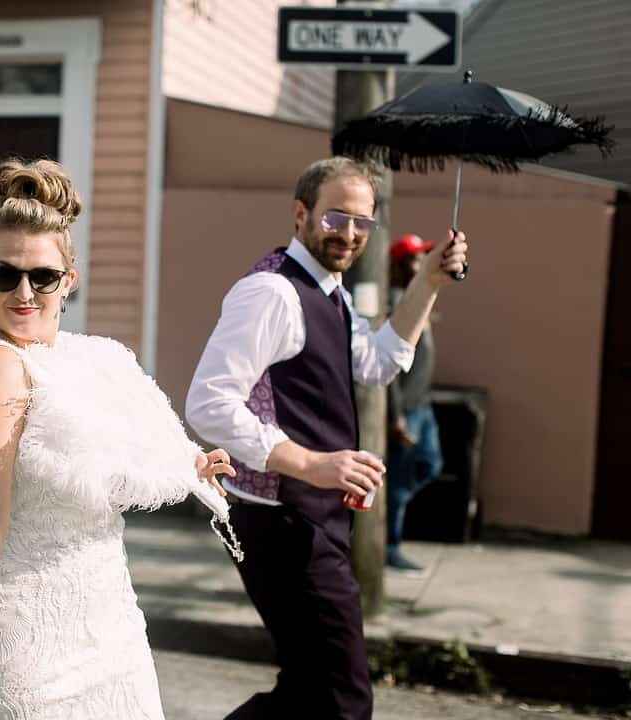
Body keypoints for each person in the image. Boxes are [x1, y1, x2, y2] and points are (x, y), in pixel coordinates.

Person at [0, 158, 237, 720]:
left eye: (42, 276)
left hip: (111, 622)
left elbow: (126, 444)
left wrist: (192, 463)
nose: (24, 292)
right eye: (6, 275)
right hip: (28, 639)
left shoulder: (88, 357)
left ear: (69, 281)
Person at [185, 156, 468, 720]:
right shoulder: (272, 292)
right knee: (343, 699)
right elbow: (208, 402)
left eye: (363, 222)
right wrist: (312, 464)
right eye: (337, 217)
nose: (350, 233)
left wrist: (428, 282)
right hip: (279, 520)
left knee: (310, 691)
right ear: (301, 214)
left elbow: (379, 363)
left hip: (312, 519)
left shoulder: (333, 292)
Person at [385, 233, 444, 573]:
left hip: (422, 403)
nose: (420, 263)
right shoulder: (396, 302)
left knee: (429, 465)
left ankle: (392, 520)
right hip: (406, 409)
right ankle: (388, 549)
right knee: (397, 480)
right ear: (398, 264)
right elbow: (389, 367)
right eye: (413, 258)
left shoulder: (417, 297)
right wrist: (395, 416)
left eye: (422, 257)